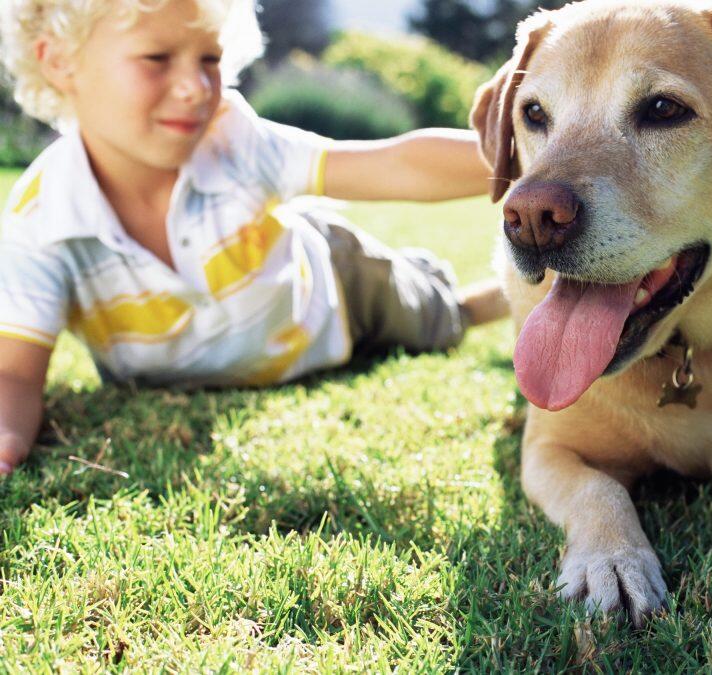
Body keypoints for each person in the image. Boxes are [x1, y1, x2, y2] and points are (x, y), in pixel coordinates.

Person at [0, 0, 508, 475]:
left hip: (337, 288)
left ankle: (468, 295)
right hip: (265, 340)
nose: (196, 87)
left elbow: (393, 164)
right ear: (60, 62)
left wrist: (528, 157)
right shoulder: (41, 221)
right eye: (157, 58)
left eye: (210, 59)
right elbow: (15, 375)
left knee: (437, 323)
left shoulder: (235, 141)